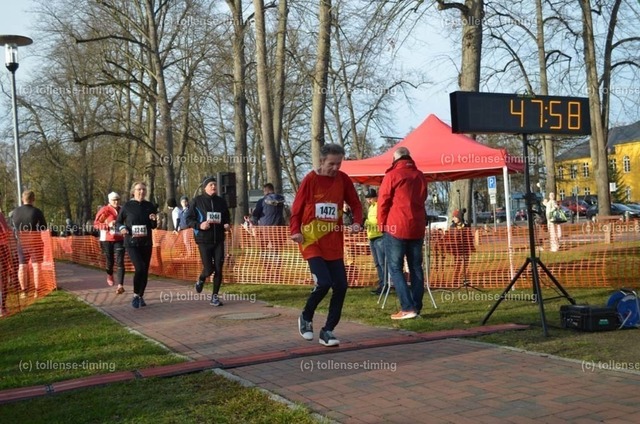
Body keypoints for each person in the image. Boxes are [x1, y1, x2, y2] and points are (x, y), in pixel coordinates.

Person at [291, 143, 363, 347]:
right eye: (331, 164)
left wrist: (357, 222)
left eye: (339, 163)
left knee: (341, 285)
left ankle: (328, 330)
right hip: (311, 240)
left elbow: (356, 204)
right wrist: (295, 230)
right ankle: (306, 316)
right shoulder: (310, 179)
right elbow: (296, 208)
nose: (335, 168)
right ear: (322, 161)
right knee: (323, 282)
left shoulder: (343, 180)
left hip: (333, 242)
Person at [377, 147, 428, 320]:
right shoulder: (420, 175)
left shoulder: (392, 175)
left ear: (395, 159)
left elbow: (383, 201)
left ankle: (407, 307)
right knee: (416, 267)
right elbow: (423, 198)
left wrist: (381, 224)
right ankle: (416, 306)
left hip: (396, 226)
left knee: (395, 268)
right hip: (417, 226)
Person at [186, 176, 231, 307]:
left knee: (218, 269)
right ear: (205, 187)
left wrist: (227, 224)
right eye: (211, 184)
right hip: (203, 240)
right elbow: (188, 219)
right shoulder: (197, 201)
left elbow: (226, 217)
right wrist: (200, 225)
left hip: (218, 239)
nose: (213, 187)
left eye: (215, 184)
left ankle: (214, 297)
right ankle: (201, 279)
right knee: (209, 269)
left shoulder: (221, 201)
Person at [116, 182, 157, 308]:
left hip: (146, 243)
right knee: (139, 267)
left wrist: (153, 220)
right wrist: (122, 228)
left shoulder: (149, 206)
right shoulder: (127, 206)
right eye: (139, 189)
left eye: (144, 189)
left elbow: (153, 226)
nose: (141, 192)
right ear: (133, 192)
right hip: (131, 243)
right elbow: (118, 222)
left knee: (144, 270)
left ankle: (140, 295)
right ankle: (135, 295)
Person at [11, 190, 47, 298]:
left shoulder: (15, 212)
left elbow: (12, 226)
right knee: (36, 267)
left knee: (22, 266)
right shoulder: (37, 212)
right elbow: (44, 227)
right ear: (33, 199)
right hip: (35, 241)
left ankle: (24, 291)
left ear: (23, 199)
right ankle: (37, 291)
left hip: (21, 242)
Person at [94, 192, 125, 294]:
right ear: (109, 201)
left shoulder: (122, 210)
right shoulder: (105, 210)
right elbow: (96, 224)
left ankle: (120, 285)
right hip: (107, 239)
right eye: (113, 200)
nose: (116, 202)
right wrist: (108, 225)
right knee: (110, 261)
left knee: (120, 261)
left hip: (119, 239)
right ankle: (110, 274)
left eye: (117, 199)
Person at [364, 188, 386, 295]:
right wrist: (366, 223)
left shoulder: (379, 206)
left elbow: (379, 219)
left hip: (379, 236)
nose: (369, 200)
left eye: (370, 198)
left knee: (382, 263)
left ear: (375, 197)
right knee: (377, 263)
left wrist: (368, 223)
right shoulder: (370, 207)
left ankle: (385, 284)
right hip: (372, 237)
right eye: (367, 198)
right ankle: (382, 284)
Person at [450, 209, 473, 286]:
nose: (453, 218)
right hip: (457, 249)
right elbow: (451, 237)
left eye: (455, 217)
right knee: (457, 264)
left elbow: (469, 236)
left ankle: (465, 279)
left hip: (465, 248)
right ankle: (455, 279)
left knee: (465, 264)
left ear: (459, 217)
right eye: (453, 217)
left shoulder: (465, 225)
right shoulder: (452, 226)